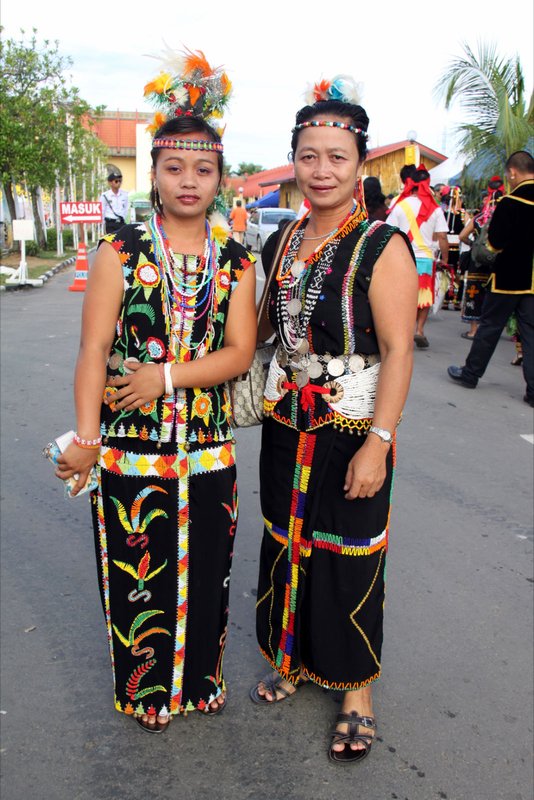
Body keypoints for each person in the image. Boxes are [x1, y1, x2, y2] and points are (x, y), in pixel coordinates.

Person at [56, 49, 257, 733]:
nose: (189, 181)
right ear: (155, 173)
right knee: (141, 579)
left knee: (206, 579)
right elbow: (91, 351)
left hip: (207, 453)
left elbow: (238, 353)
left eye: (204, 169)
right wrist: (86, 439)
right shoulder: (120, 250)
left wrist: (164, 377)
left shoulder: (236, 261)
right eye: (174, 168)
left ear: (221, 177)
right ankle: (148, 692)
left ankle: (201, 679)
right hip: (131, 456)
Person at [249, 74, 417, 764]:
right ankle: (291, 657)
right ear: (295, 160)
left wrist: (379, 442)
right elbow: (260, 333)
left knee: (350, 553)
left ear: (359, 165)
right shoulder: (282, 241)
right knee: (285, 541)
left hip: (353, 430)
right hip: (287, 424)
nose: (321, 170)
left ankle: (355, 691)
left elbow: (401, 348)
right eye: (309, 156)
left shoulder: (383, 246)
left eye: (336, 157)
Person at [448, 150, 534, 407]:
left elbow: (494, 244)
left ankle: (471, 374)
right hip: (532, 283)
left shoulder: (510, 202)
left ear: (512, 173)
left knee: (490, 328)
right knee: (531, 335)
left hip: (508, 278)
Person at [387, 165, 449, 347]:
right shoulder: (435, 209)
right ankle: (419, 329)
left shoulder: (400, 205)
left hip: (402, 258)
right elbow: (443, 236)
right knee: (424, 298)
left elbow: (389, 232)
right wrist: (445, 259)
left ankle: (401, 332)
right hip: (425, 259)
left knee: (403, 297)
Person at [458, 177, 504, 338]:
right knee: (491, 295)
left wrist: (474, 245)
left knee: (473, 293)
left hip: (476, 262)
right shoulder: (503, 218)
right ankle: (489, 330)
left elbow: (462, 235)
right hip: (496, 263)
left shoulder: (479, 218)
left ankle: (473, 330)